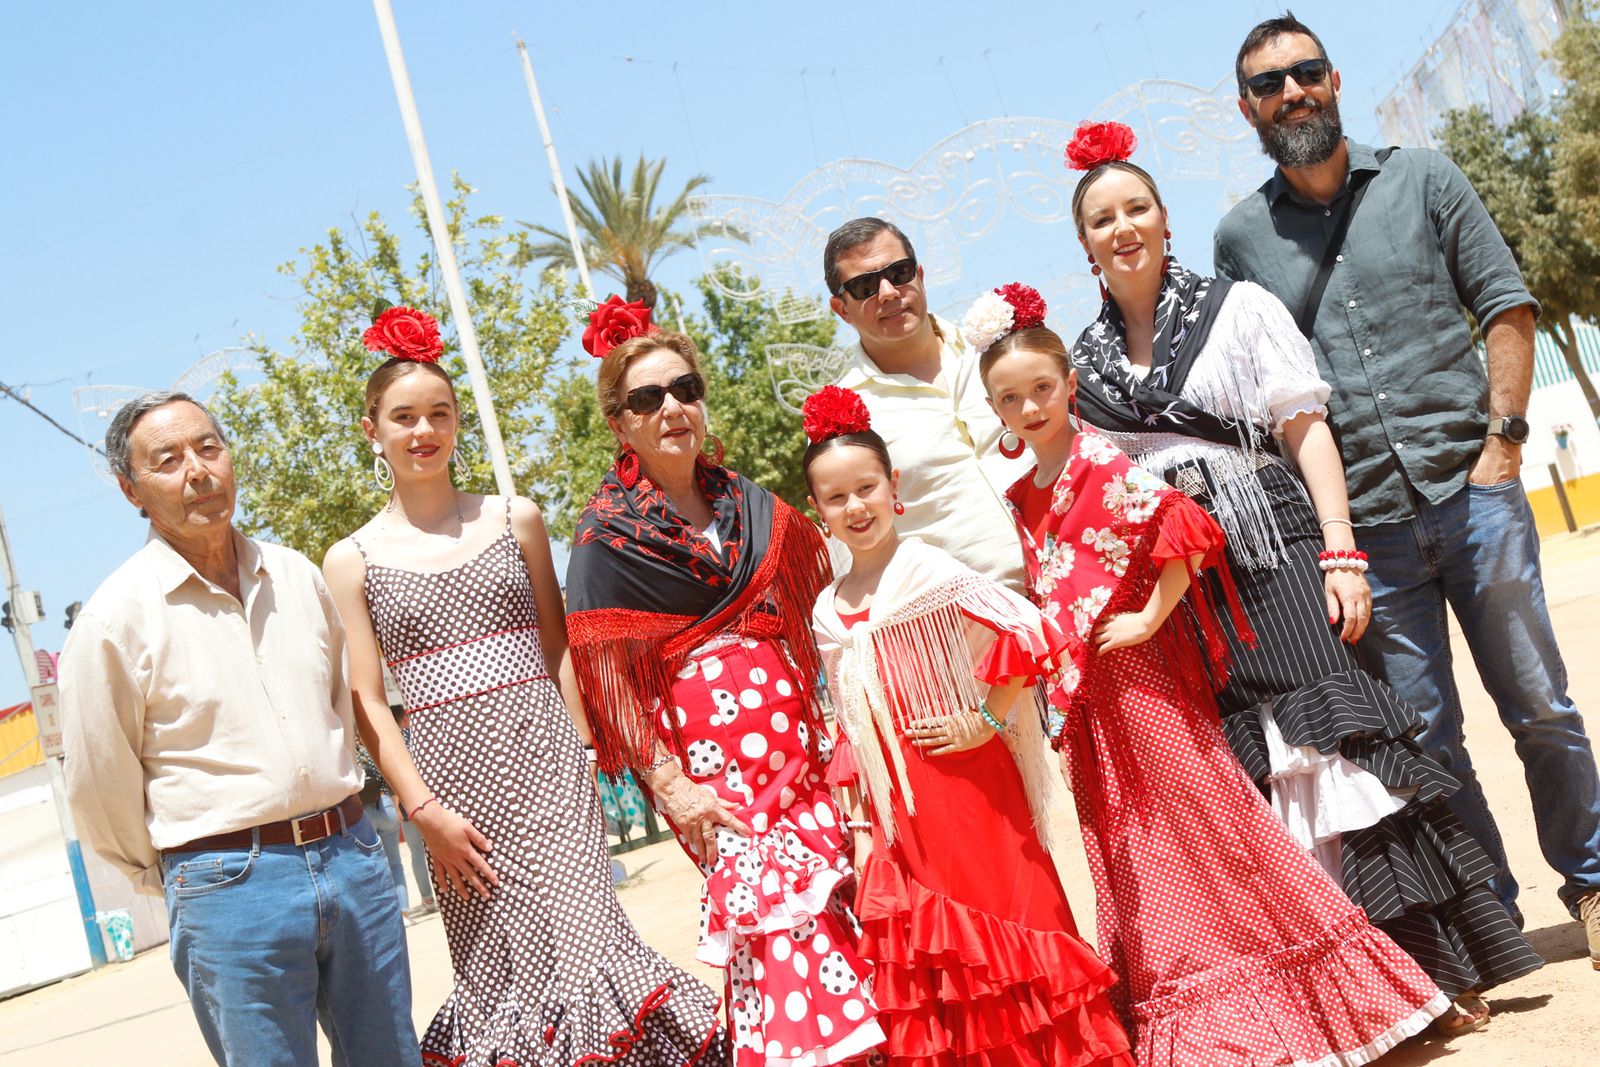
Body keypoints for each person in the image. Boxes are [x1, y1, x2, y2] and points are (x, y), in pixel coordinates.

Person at [1061, 122, 1540, 1030]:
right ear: (1083, 245)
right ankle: (1345, 994)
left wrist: (1342, 550)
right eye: (1101, 218)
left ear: (1165, 220)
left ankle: (1426, 971)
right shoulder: (1079, 367)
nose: (1122, 228)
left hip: (1275, 546)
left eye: (1137, 208)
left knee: (1333, 749)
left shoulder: (1236, 309)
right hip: (1185, 586)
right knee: (1252, 771)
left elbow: (1306, 431)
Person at [974, 289, 1453, 1062]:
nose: (1028, 406)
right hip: (1097, 699)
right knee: (1134, 839)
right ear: (994, 410)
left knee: (1211, 821)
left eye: (1040, 388)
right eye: (1009, 398)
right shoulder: (1022, 494)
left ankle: (1311, 992)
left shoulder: (1105, 463)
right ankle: (1202, 1000)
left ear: (1068, 384)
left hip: (1150, 681)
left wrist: (1150, 618)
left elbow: (1188, 532)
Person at [1214, 11, 1600, 962]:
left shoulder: (1426, 177)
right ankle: (1496, 918)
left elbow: (1506, 302)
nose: (1291, 92)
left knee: (1540, 703)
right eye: (1270, 84)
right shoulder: (1240, 239)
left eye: (1305, 72)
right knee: (1428, 732)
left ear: (1335, 79)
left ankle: (1592, 884)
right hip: (1368, 529)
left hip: (1475, 493)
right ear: (1247, 108)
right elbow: (1255, 394)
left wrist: (1504, 443)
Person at [323, 306, 723, 1066]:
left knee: (590, 943)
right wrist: (422, 810)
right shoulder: (351, 558)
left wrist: (581, 747)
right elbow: (368, 701)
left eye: (439, 412)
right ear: (372, 429)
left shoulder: (517, 518)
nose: (423, 430)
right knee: (503, 965)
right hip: (450, 791)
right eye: (403, 416)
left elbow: (558, 646)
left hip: (547, 765)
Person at [565, 297, 885, 1067]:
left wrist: (841, 731)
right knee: (781, 940)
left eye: (685, 389)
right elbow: (604, 677)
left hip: (806, 765)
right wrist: (671, 784)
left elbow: (817, 610)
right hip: (719, 788)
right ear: (621, 423)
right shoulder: (606, 536)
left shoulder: (755, 506)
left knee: (845, 925)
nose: (672, 407)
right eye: (648, 398)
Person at [58, 391, 417, 1067]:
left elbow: (340, 710)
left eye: (208, 447)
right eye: (167, 459)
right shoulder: (114, 620)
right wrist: (189, 867)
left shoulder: (296, 576)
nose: (197, 470)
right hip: (229, 887)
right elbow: (99, 786)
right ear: (131, 489)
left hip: (352, 855)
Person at [802, 385, 1134, 1067]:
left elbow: (1029, 627)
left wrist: (986, 717)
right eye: (836, 498)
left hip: (972, 788)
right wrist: (865, 827)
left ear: (893, 486)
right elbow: (850, 728)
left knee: (1013, 923)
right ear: (819, 511)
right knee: (945, 954)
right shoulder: (827, 611)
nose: (855, 506)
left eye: (866, 487)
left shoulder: (926, 566)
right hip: (903, 817)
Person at [824, 216, 1029, 589]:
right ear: (842, 309)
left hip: (1082, 590)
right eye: (865, 285)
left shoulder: (998, 348)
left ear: (919, 274)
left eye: (899, 272)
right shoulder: (844, 422)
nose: (888, 292)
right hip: (973, 627)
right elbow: (855, 550)